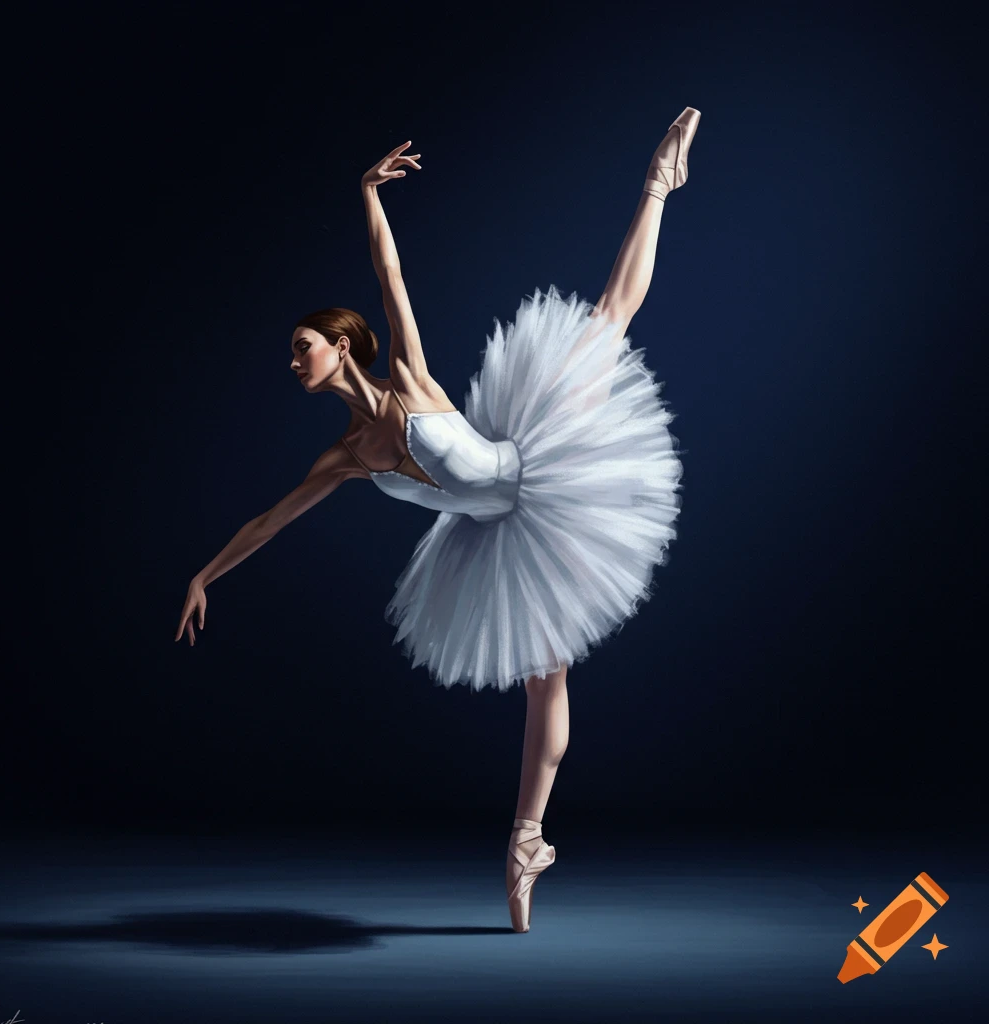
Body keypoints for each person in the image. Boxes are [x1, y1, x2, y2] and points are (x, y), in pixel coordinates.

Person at [176, 108, 700, 933]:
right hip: (494, 533)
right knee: (544, 679)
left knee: (605, 324)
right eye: (292, 352)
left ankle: (658, 184)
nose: (294, 360)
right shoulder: (344, 459)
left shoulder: (411, 378)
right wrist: (205, 574)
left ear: (341, 348)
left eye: (302, 345)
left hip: (536, 466)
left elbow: (389, 272)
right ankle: (527, 840)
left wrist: (366, 194)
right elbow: (270, 521)